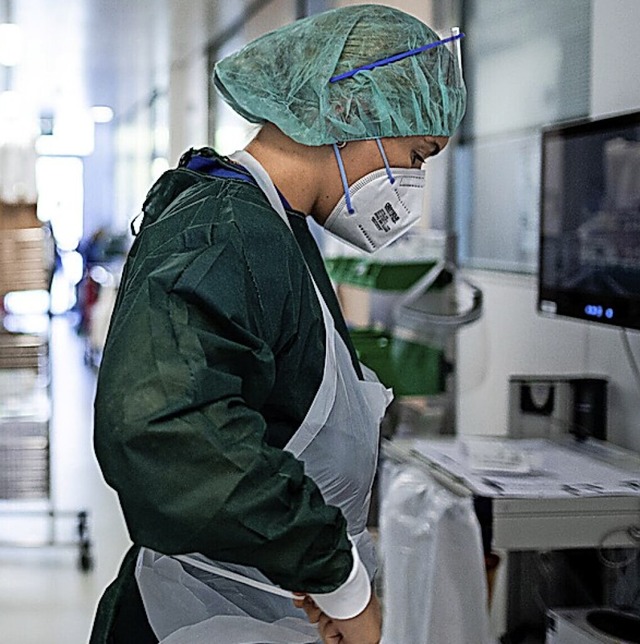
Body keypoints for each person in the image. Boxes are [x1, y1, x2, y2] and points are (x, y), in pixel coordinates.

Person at [89, 4, 466, 643]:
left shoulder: (273, 226)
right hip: (201, 619)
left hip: (253, 609)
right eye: (416, 156)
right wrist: (335, 574)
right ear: (354, 110)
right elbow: (162, 427)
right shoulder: (227, 230)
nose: (412, 185)